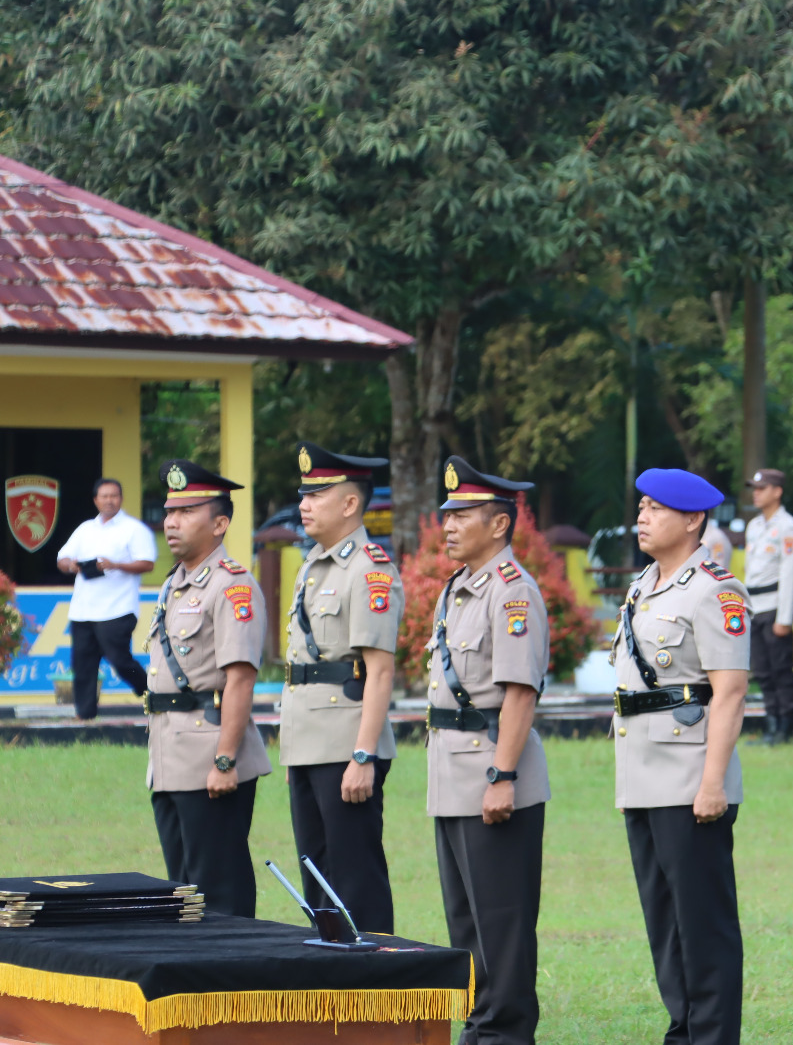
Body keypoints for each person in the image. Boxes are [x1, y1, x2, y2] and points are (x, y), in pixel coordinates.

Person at [614, 468, 750, 1044]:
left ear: (693, 519)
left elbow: (731, 691)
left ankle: (712, 1036)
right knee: (663, 924)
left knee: (703, 925)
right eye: (641, 506)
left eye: (656, 508)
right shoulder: (644, 584)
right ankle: (683, 1030)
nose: (642, 516)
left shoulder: (715, 590)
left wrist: (712, 781)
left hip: (690, 777)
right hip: (641, 776)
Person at [425, 456, 549, 1045]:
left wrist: (502, 774)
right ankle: (480, 1026)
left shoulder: (512, 592)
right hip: (452, 774)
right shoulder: (457, 590)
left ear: (499, 525)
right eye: (446, 514)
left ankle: (506, 1032)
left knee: (502, 920)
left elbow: (520, 693)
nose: (448, 525)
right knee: (466, 920)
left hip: (490, 774)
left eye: (463, 514)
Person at [280, 442, 402, 933]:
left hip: (348, 743)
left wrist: (363, 755)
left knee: (355, 878)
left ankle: (377, 991)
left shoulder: (369, 568)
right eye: (303, 495)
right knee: (318, 880)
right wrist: (295, 752)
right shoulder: (313, 564)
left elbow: (380, 671)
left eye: (317, 494)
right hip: (309, 743)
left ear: (350, 504)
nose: (304, 504)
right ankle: (331, 986)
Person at [143, 460, 270, 917]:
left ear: (219, 523)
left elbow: (239, 679)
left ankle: (233, 985)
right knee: (184, 896)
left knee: (220, 892)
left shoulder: (232, 586)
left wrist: (224, 760)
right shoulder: (174, 585)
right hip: (170, 757)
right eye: (169, 511)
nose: (171, 522)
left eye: (186, 511)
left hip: (210, 761)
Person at [55, 477, 156, 718]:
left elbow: (147, 563)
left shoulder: (134, 529)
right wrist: (72, 565)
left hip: (118, 608)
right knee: (83, 665)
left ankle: (152, 694)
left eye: (114, 496)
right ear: (95, 500)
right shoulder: (85, 529)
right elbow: (62, 558)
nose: (109, 500)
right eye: (104, 496)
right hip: (83, 609)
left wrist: (115, 565)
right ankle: (85, 715)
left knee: (120, 660)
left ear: (121, 499)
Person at [743, 468, 793, 745]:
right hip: (754, 605)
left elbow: (790, 574)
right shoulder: (754, 526)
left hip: (774, 606)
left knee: (781, 670)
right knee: (762, 671)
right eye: (754, 488)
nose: (756, 493)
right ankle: (770, 724)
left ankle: (785, 727)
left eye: (762, 488)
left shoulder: (788, 526)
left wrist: (785, 617)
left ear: (777, 491)